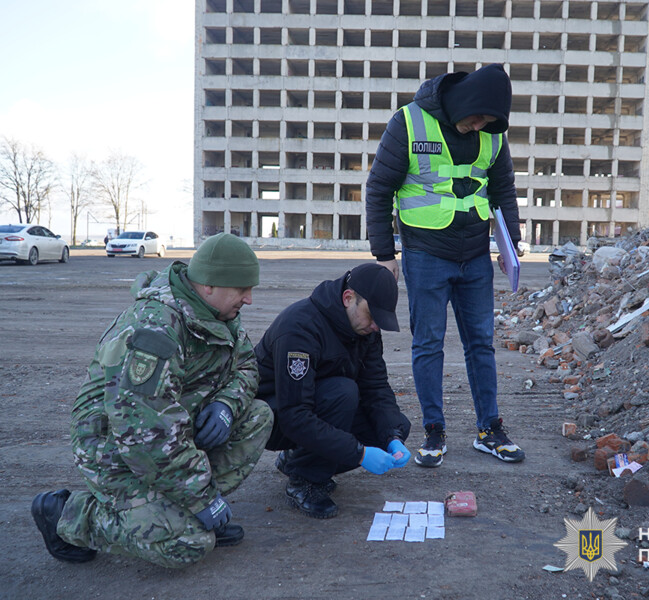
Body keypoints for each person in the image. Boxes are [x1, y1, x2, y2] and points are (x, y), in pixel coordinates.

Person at [31, 232, 273, 569]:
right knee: (188, 543)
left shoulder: (220, 316)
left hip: (171, 433)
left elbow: (246, 364)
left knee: (257, 416)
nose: (249, 299)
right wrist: (202, 497)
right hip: (115, 447)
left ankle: (186, 508)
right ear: (208, 286)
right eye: (242, 289)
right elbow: (144, 434)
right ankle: (70, 515)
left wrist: (226, 407)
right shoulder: (155, 330)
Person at [365, 63, 526, 468]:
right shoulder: (409, 123)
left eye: (488, 122)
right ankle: (434, 431)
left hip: (474, 256)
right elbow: (379, 189)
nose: (479, 127)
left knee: (481, 345)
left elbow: (503, 187)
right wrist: (385, 256)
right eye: (477, 118)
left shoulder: (492, 134)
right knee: (427, 345)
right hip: (425, 255)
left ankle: (490, 430)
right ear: (465, 102)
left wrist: (512, 246)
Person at [255, 263, 412, 519]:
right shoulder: (299, 329)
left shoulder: (365, 329)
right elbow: (294, 415)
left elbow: (376, 387)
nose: (375, 327)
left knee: (391, 427)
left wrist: (392, 435)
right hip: (273, 418)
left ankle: (298, 460)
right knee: (343, 392)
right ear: (348, 298)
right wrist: (358, 453)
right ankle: (304, 481)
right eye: (372, 316)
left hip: (320, 405)